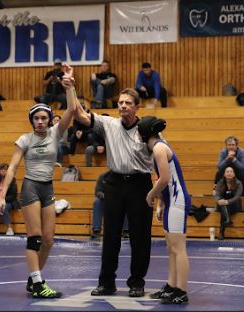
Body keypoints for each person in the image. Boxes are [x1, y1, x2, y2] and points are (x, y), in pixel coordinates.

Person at [63, 69, 154, 298]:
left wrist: (159, 190)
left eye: (128, 103)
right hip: (114, 183)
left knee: (140, 237)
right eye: (121, 102)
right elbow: (80, 115)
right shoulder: (108, 124)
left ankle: (137, 282)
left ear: (137, 107)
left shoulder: (147, 129)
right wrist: (70, 88)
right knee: (111, 235)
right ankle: (106, 282)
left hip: (140, 185)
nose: (123, 106)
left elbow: (163, 154)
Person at [0, 63, 75, 299]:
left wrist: (69, 85)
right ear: (32, 120)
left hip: (47, 187)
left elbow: (71, 111)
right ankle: (39, 284)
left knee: (49, 240)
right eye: (36, 118)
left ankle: (34, 278)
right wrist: (1, 196)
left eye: (44, 118)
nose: (40, 122)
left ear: (50, 120)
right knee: (36, 237)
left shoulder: (56, 133)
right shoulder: (25, 139)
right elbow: (12, 168)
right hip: (30, 187)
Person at [138, 116, 190, 304]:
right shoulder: (158, 147)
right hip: (171, 201)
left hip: (177, 201)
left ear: (144, 134)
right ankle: (171, 286)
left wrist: (151, 195)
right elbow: (166, 179)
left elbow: (165, 179)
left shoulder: (159, 148)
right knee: (171, 248)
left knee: (179, 248)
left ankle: (181, 291)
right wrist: (161, 204)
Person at [91, 172, 129, 240]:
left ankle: (126, 231)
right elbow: (97, 192)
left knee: (127, 203)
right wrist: (106, 196)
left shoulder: (124, 178)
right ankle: (96, 230)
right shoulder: (102, 176)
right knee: (97, 202)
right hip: (106, 201)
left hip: (120, 202)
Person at [214, 167, 243, 240]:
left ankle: (221, 233)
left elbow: (237, 197)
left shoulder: (238, 183)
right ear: (224, 174)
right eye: (227, 171)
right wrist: (219, 200)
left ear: (234, 174)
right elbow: (217, 194)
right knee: (223, 207)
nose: (229, 173)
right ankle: (227, 220)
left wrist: (227, 202)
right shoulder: (220, 182)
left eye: (231, 172)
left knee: (224, 207)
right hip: (222, 204)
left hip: (235, 205)